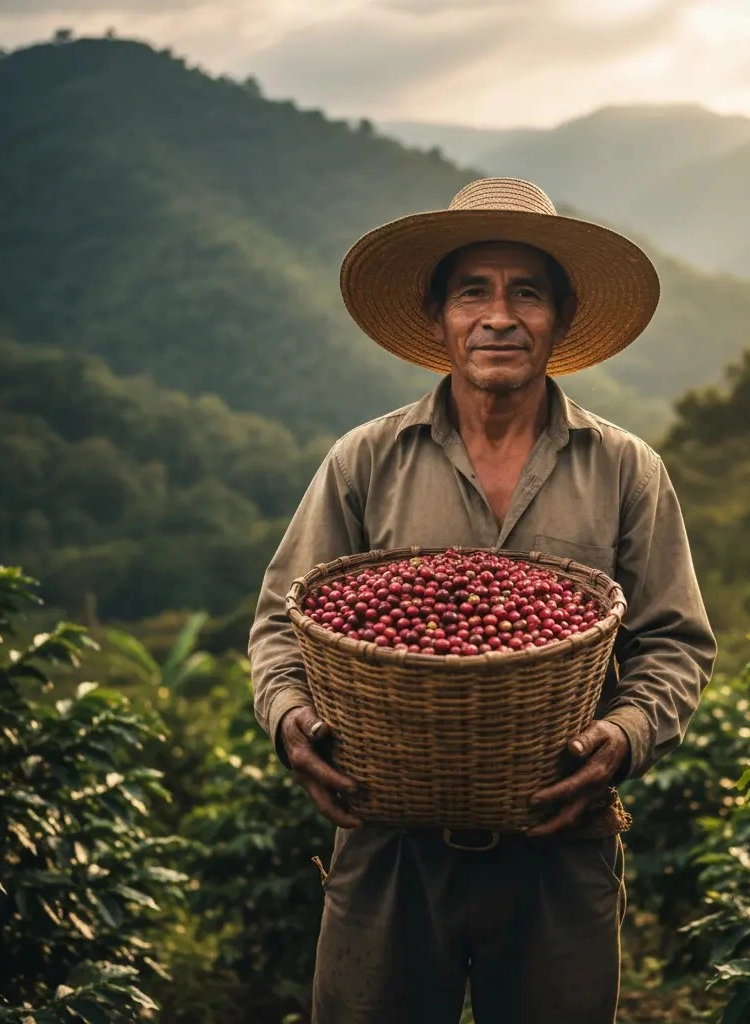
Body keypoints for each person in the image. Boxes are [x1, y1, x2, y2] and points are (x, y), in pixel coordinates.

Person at [249, 177, 716, 1023]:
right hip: (389, 847)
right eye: (473, 292)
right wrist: (289, 722)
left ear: (560, 318)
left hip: (560, 847)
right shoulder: (365, 460)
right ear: (439, 316)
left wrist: (624, 735)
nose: (499, 316)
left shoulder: (624, 469)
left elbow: (674, 643)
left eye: (526, 293)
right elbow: (284, 624)